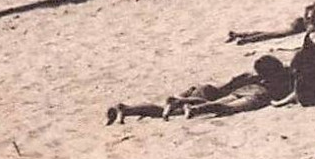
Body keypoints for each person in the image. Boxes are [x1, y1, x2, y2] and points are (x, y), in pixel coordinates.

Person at [106, 55, 294, 123]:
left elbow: (224, 87)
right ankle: (192, 107)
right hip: (252, 95)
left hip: (228, 90)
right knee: (225, 108)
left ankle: (128, 109)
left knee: (214, 104)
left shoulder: (250, 77)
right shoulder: (285, 77)